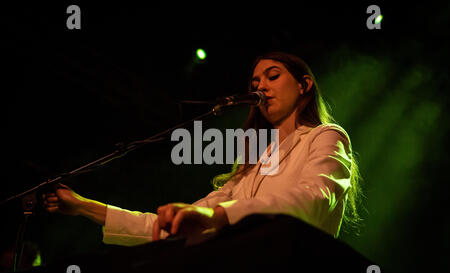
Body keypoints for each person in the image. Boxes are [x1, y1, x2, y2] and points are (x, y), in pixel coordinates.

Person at [43, 51, 362, 246]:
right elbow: (173, 225)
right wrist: (85, 206)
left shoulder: (326, 136)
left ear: (304, 84)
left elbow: (311, 199)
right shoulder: (253, 164)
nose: (260, 86)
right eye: (254, 83)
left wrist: (218, 215)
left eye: (273, 76)